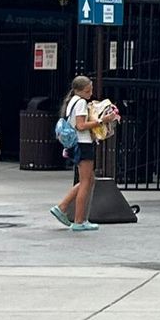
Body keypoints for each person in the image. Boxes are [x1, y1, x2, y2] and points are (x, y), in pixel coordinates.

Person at [51, 73, 108, 231]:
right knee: (85, 182)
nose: (90, 94)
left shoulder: (72, 101)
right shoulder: (81, 102)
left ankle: (62, 207)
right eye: (88, 91)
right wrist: (102, 120)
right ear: (80, 91)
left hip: (77, 144)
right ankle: (78, 220)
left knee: (89, 179)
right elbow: (81, 126)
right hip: (83, 143)